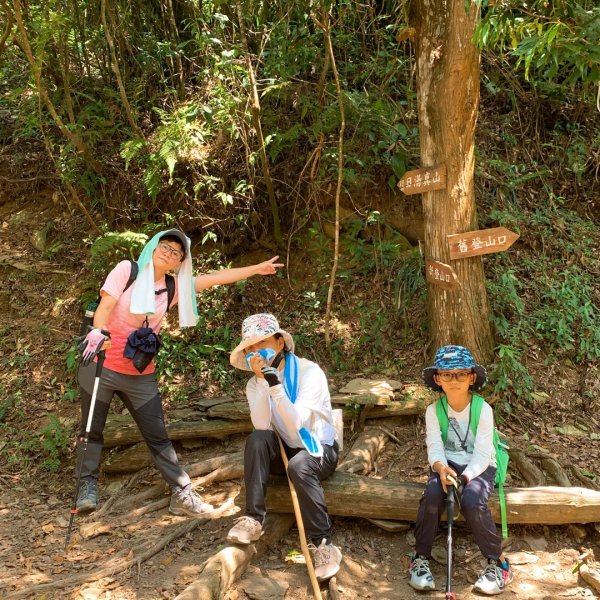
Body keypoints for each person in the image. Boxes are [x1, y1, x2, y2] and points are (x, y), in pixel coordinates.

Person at [75, 229, 283, 516]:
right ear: (153, 246)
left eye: (176, 252)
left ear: (179, 262)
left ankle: (181, 493)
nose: (169, 253)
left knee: (157, 435)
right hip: (101, 364)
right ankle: (86, 487)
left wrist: (256, 269)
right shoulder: (127, 271)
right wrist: (99, 333)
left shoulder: (171, 288)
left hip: (139, 373)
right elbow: (105, 307)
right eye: (165, 246)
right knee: (91, 429)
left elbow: (213, 279)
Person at [226, 313, 342, 581]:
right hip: (282, 448)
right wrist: (264, 384)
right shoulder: (254, 384)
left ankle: (323, 544)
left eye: (261, 343)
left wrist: (276, 386)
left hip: (316, 448)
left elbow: (296, 421)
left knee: (300, 465)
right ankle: (253, 519)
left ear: (280, 343)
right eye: (250, 348)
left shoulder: (308, 372)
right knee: (256, 439)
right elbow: (262, 424)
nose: (256, 351)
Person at [409, 345, 513, 596]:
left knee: (472, 499)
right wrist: (441, 468)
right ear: (437, 379)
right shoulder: (434, 410)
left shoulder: (483, 409)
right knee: (434, 495)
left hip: (479, 465)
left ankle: (498, 563)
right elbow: (434, 447)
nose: (454, 380)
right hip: (447, 464)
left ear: (471, 377)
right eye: (447, 374)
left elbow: (481, 453)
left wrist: (465, 478)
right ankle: (419, 559)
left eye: (460, 374)